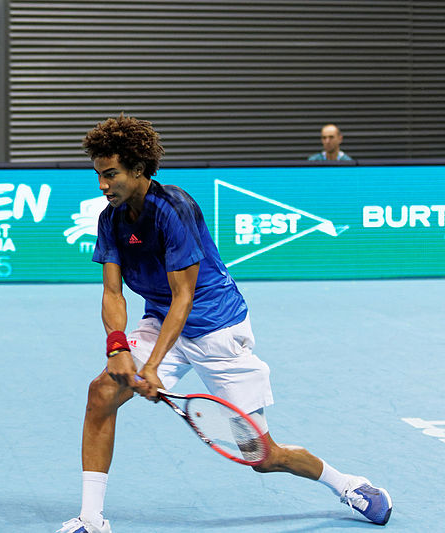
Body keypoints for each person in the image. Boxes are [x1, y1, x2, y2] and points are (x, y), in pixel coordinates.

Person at [57, 114, 391, 533]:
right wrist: (119, 348)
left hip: (218, 330)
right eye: (98, 176)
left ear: (139, 169)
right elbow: (112, 292)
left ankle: (346, 485)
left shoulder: (174, 209)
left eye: (111, 175)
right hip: (161, 321)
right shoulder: (111, 219)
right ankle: (91, 519)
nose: (103, 186)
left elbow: (186, 296)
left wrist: (152, 366)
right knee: (102, 393)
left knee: (263, 457)